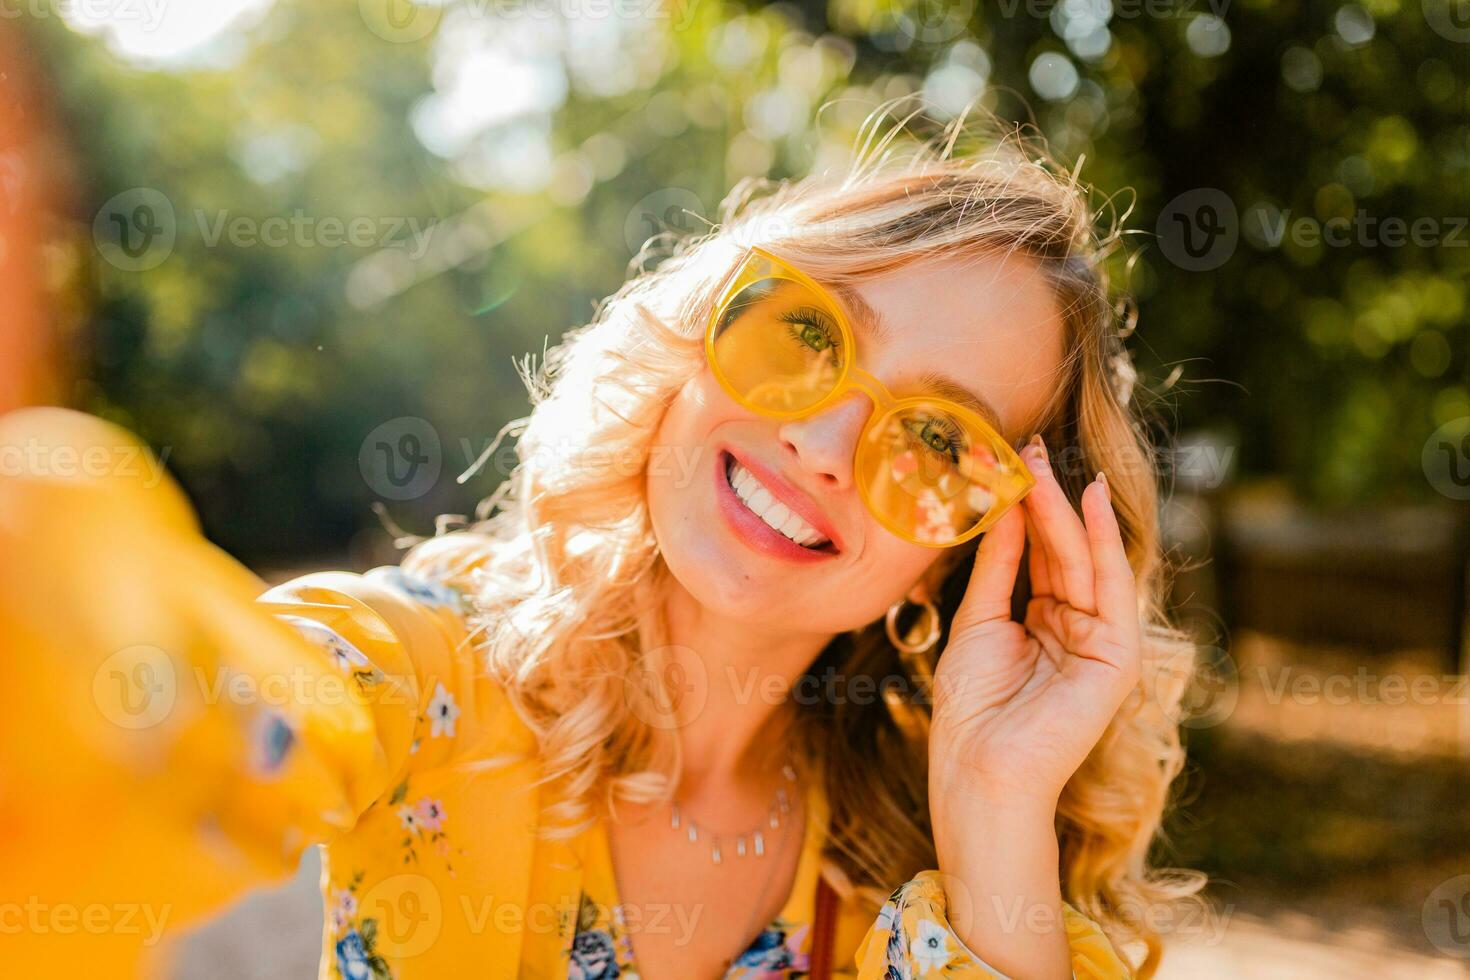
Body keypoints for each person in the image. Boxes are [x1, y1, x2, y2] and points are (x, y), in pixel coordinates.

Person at [1, 105, 1207, 979]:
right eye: (807, 329)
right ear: (698, 333)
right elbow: (165, 717)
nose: (827, 442)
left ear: (971, 555)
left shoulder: (911, 872)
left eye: (939, 441)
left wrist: (997, 801)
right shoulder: (428, 671)